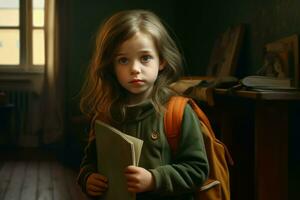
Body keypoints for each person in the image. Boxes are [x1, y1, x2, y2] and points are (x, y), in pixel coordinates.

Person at [77, 9, 209, 200]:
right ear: (111, 66)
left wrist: (154, 179)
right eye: (123, 60)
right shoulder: (105, 116)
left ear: (161, 60)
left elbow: (197, 170)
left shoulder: (178, 112)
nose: (135, 69)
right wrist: (88, 178)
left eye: (145, 58)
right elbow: (90, 163)